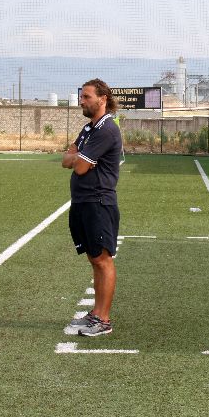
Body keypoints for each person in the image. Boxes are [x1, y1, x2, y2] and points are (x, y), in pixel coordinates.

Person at [62, 79, 123, 337]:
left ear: (102, 99)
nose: (82, 101)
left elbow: (79, 166)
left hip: (98, 203)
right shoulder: (89, 129)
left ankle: (104, 320)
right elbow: (67, 160)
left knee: (103, 260)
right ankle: (95, 314)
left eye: (86, 97)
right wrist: (79, 157)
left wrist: (79, 158)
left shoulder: (106, 129)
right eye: (82, 96)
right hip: (83, 202)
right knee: (93, 259)